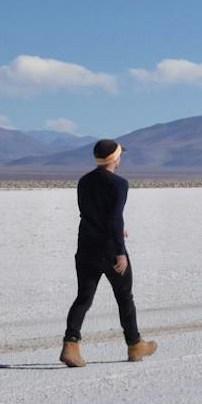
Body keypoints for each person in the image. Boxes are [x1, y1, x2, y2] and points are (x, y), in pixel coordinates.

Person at [60, 139, 158, 367]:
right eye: (119, 155)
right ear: (115, 159)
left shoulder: (84, 181)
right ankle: (135, 345)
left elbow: (91, 212)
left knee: (83, 298)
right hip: (109, 250)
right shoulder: (119, 184)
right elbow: (114, 217)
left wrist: (116, 228)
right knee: (125, 298)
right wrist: (120, 251)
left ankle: (70, 345)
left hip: (85, 248)